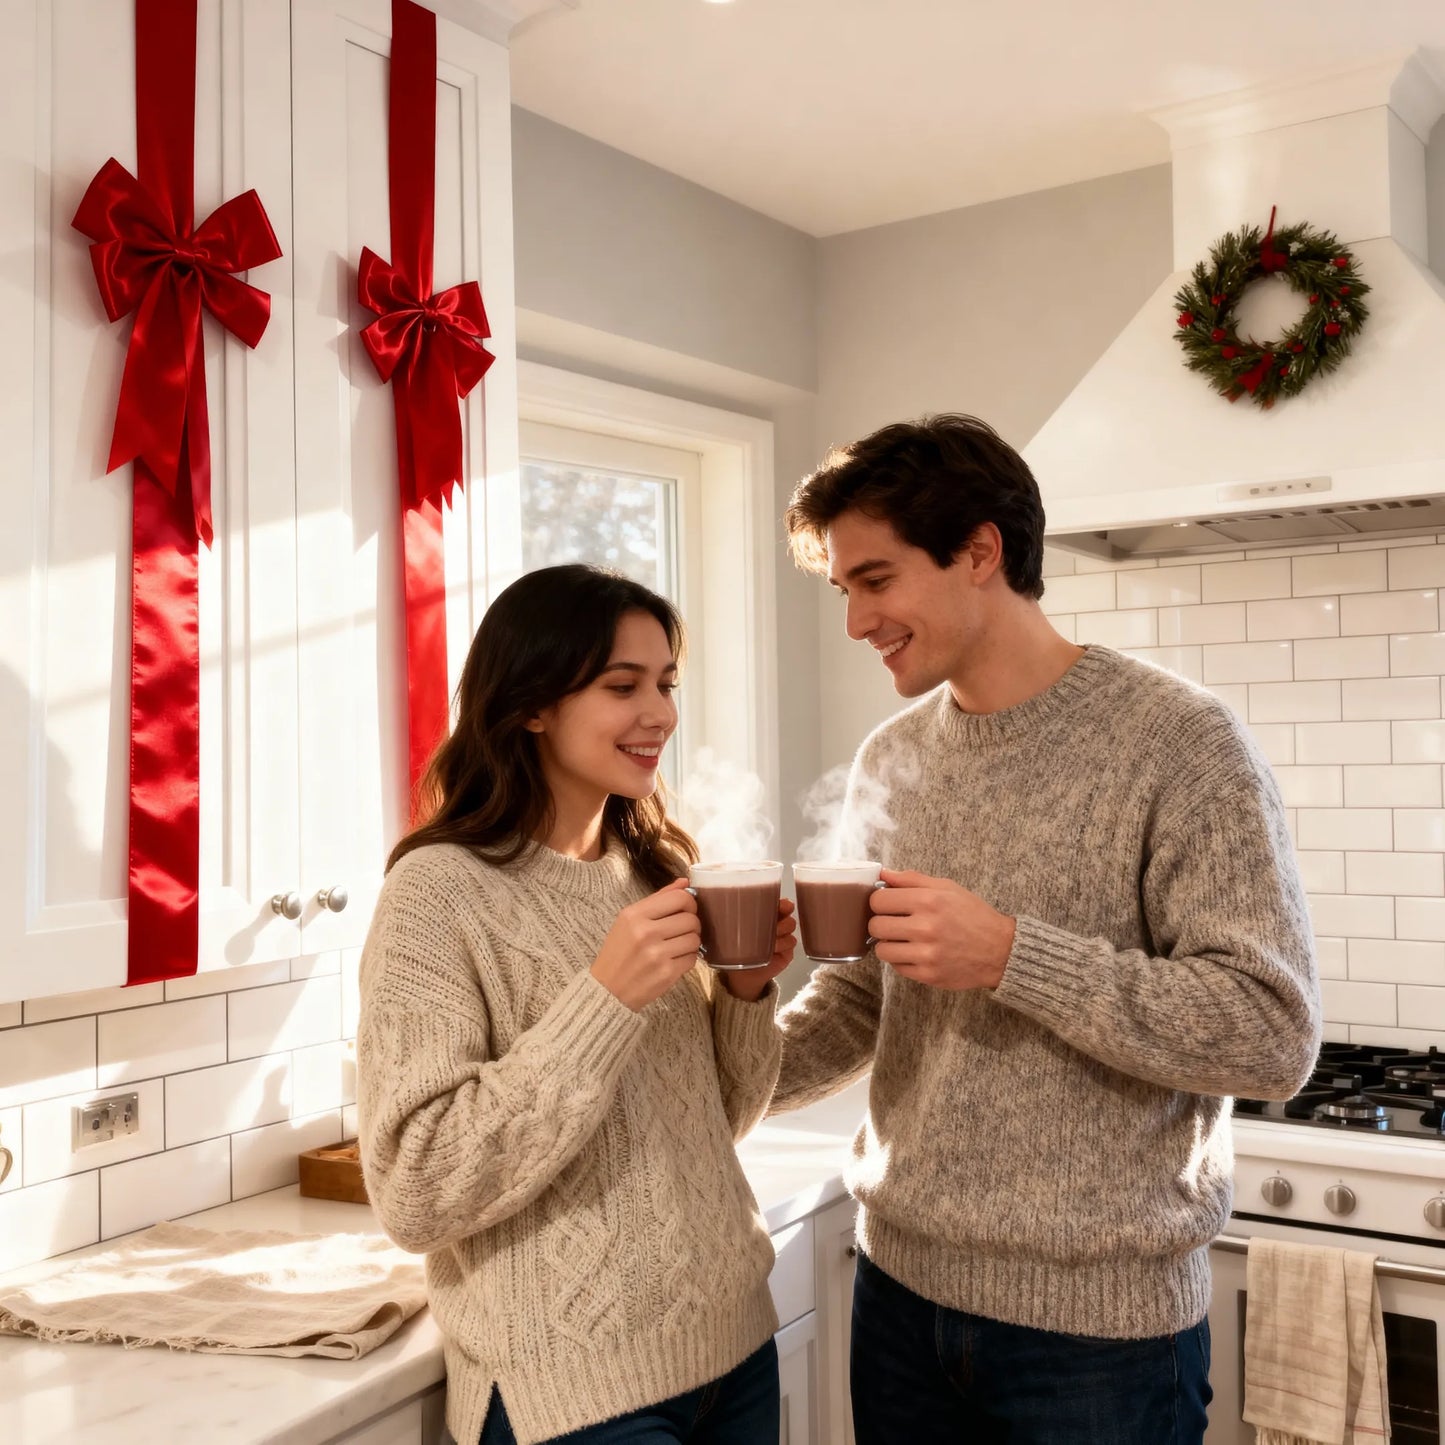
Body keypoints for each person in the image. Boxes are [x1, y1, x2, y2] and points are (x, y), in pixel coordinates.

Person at [726, 414, 1321, 1444]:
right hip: (898, 1297)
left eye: (875, 579)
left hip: (1098, 1339)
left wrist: (1009, 954)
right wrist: (720, 1061)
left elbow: (1269, 1033)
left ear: (978, 550)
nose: (856, 620)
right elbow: (861, 1003)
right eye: (842, 590)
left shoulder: (1178, 742)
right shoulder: (891, 758)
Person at [355, 563, 796, 1445]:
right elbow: (416, 1191)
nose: (659, 712)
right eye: (621, 686)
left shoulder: (653, 871)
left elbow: (712, 1124)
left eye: (666, 683)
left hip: (736, 1345)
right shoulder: (436, 893)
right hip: (573, 1392)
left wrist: (746, 993)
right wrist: (605, 1000)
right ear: (531, 705)